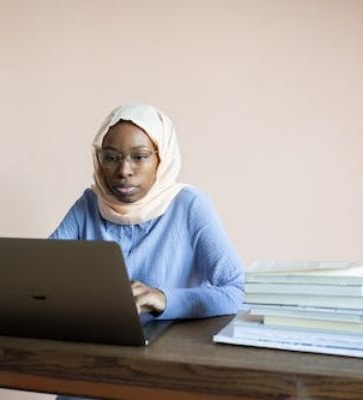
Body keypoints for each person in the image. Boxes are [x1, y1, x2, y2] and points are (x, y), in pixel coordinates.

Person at [51, 103, 244, 400]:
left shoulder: (190, 206)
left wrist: (165, 299)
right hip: (91, 367)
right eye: (111, 157)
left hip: (163, 371)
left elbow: (235, 291)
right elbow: (43, 275)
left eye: (139, 157)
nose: (123, 171)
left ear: (161, 158)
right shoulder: (90, 203)